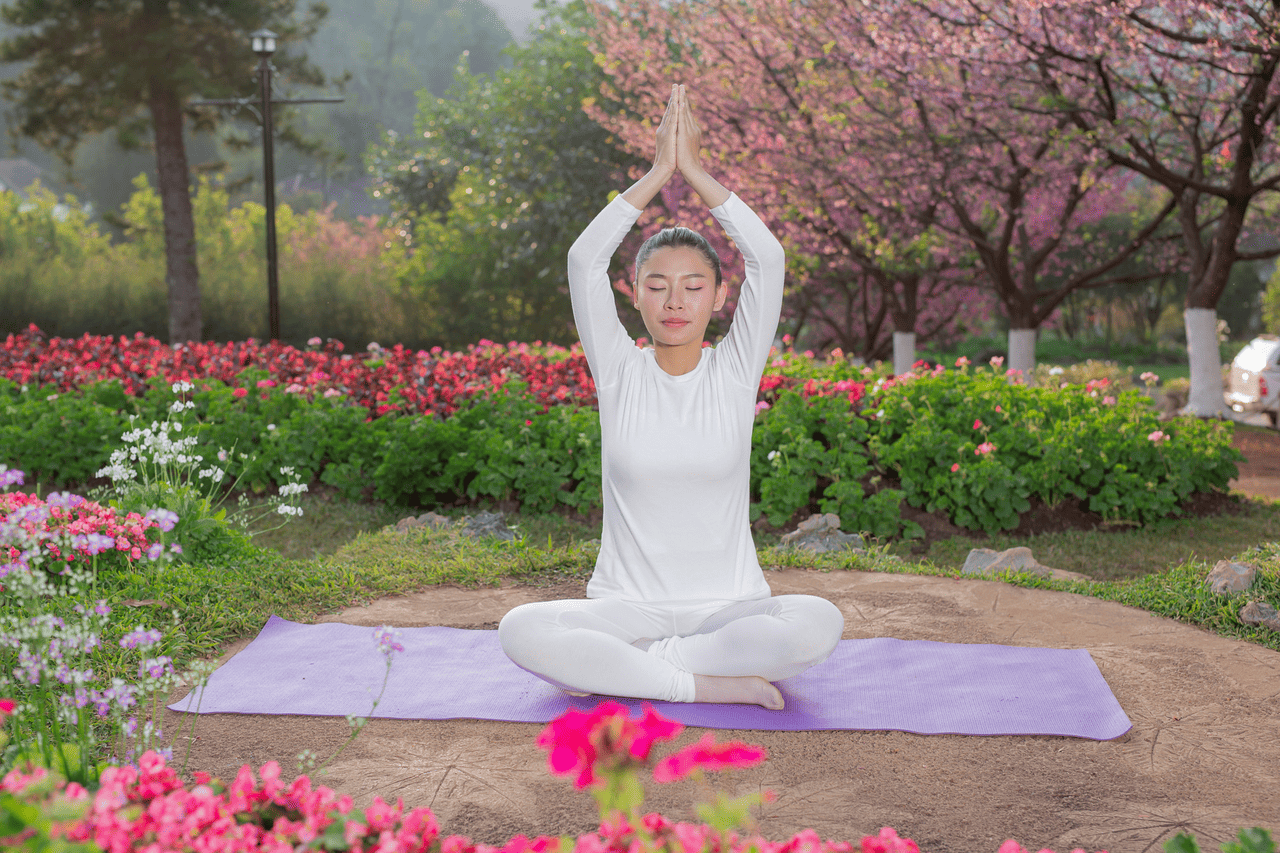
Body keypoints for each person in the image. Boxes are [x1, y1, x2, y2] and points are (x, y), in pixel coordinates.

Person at [498, 84, 843, 709]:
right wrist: (659, 171)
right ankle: (693, 684)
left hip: (729, 610)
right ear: (636, 297)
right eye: (657, 286)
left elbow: (767, 257)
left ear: (718, 298)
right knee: (520, 630)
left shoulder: (734, 374)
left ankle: (639, 672)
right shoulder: (621, 373)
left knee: (820, 623)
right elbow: (583, 261)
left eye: (693, 286)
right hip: (626, 609)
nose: (676, 301)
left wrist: (697, 173)